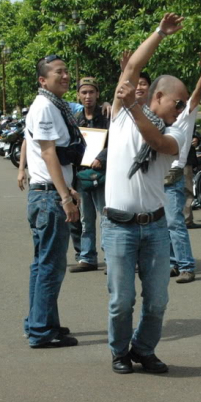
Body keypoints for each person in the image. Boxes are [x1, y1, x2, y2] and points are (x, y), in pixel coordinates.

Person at [103, 13, 188, 375]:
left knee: (157, 301)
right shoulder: (121, 115)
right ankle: (119, 352)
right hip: (119, 227)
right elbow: (134, 65)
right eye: (177, 103)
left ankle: (143, 348)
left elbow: (157, 142)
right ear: (159, 97)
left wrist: (135, 104)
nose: (181, 110)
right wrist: (159, 34)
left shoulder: (176, 131)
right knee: (121, 302)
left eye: (185, 105)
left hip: (155, 228)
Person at [21, 54, 82, 349]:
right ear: (43, 80)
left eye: (67, 70)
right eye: (59, 72)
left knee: (42, 264)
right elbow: (48, 154)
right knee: (50, 266)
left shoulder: (52, 105)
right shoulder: (46, 106)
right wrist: (64, 196)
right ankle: (41, 330)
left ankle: (41, 321)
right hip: (48, 196)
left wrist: (68, 189)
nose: (66, 76)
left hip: (46, 192)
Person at [163, 51, 201, 284]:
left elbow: (196, 94)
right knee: (164, 223)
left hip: (175, 173)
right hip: (158, 176)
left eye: (179, 99)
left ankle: (186, 266)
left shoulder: (185, 116)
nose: (176, 103)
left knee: (175, 222)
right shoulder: (157, 119)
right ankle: (173, 263)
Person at [70, 77, 110, 273]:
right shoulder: (75, 119)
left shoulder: (107, 115)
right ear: (78, 95)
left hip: (102, 174)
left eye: (91, 92)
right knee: (86, 219)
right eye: (84, 93)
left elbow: (116, 141)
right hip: (82, 174)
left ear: (97, 94)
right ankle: (87, 257)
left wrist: (102, 157)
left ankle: (110, 257)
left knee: (105, 217)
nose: (88, 96)